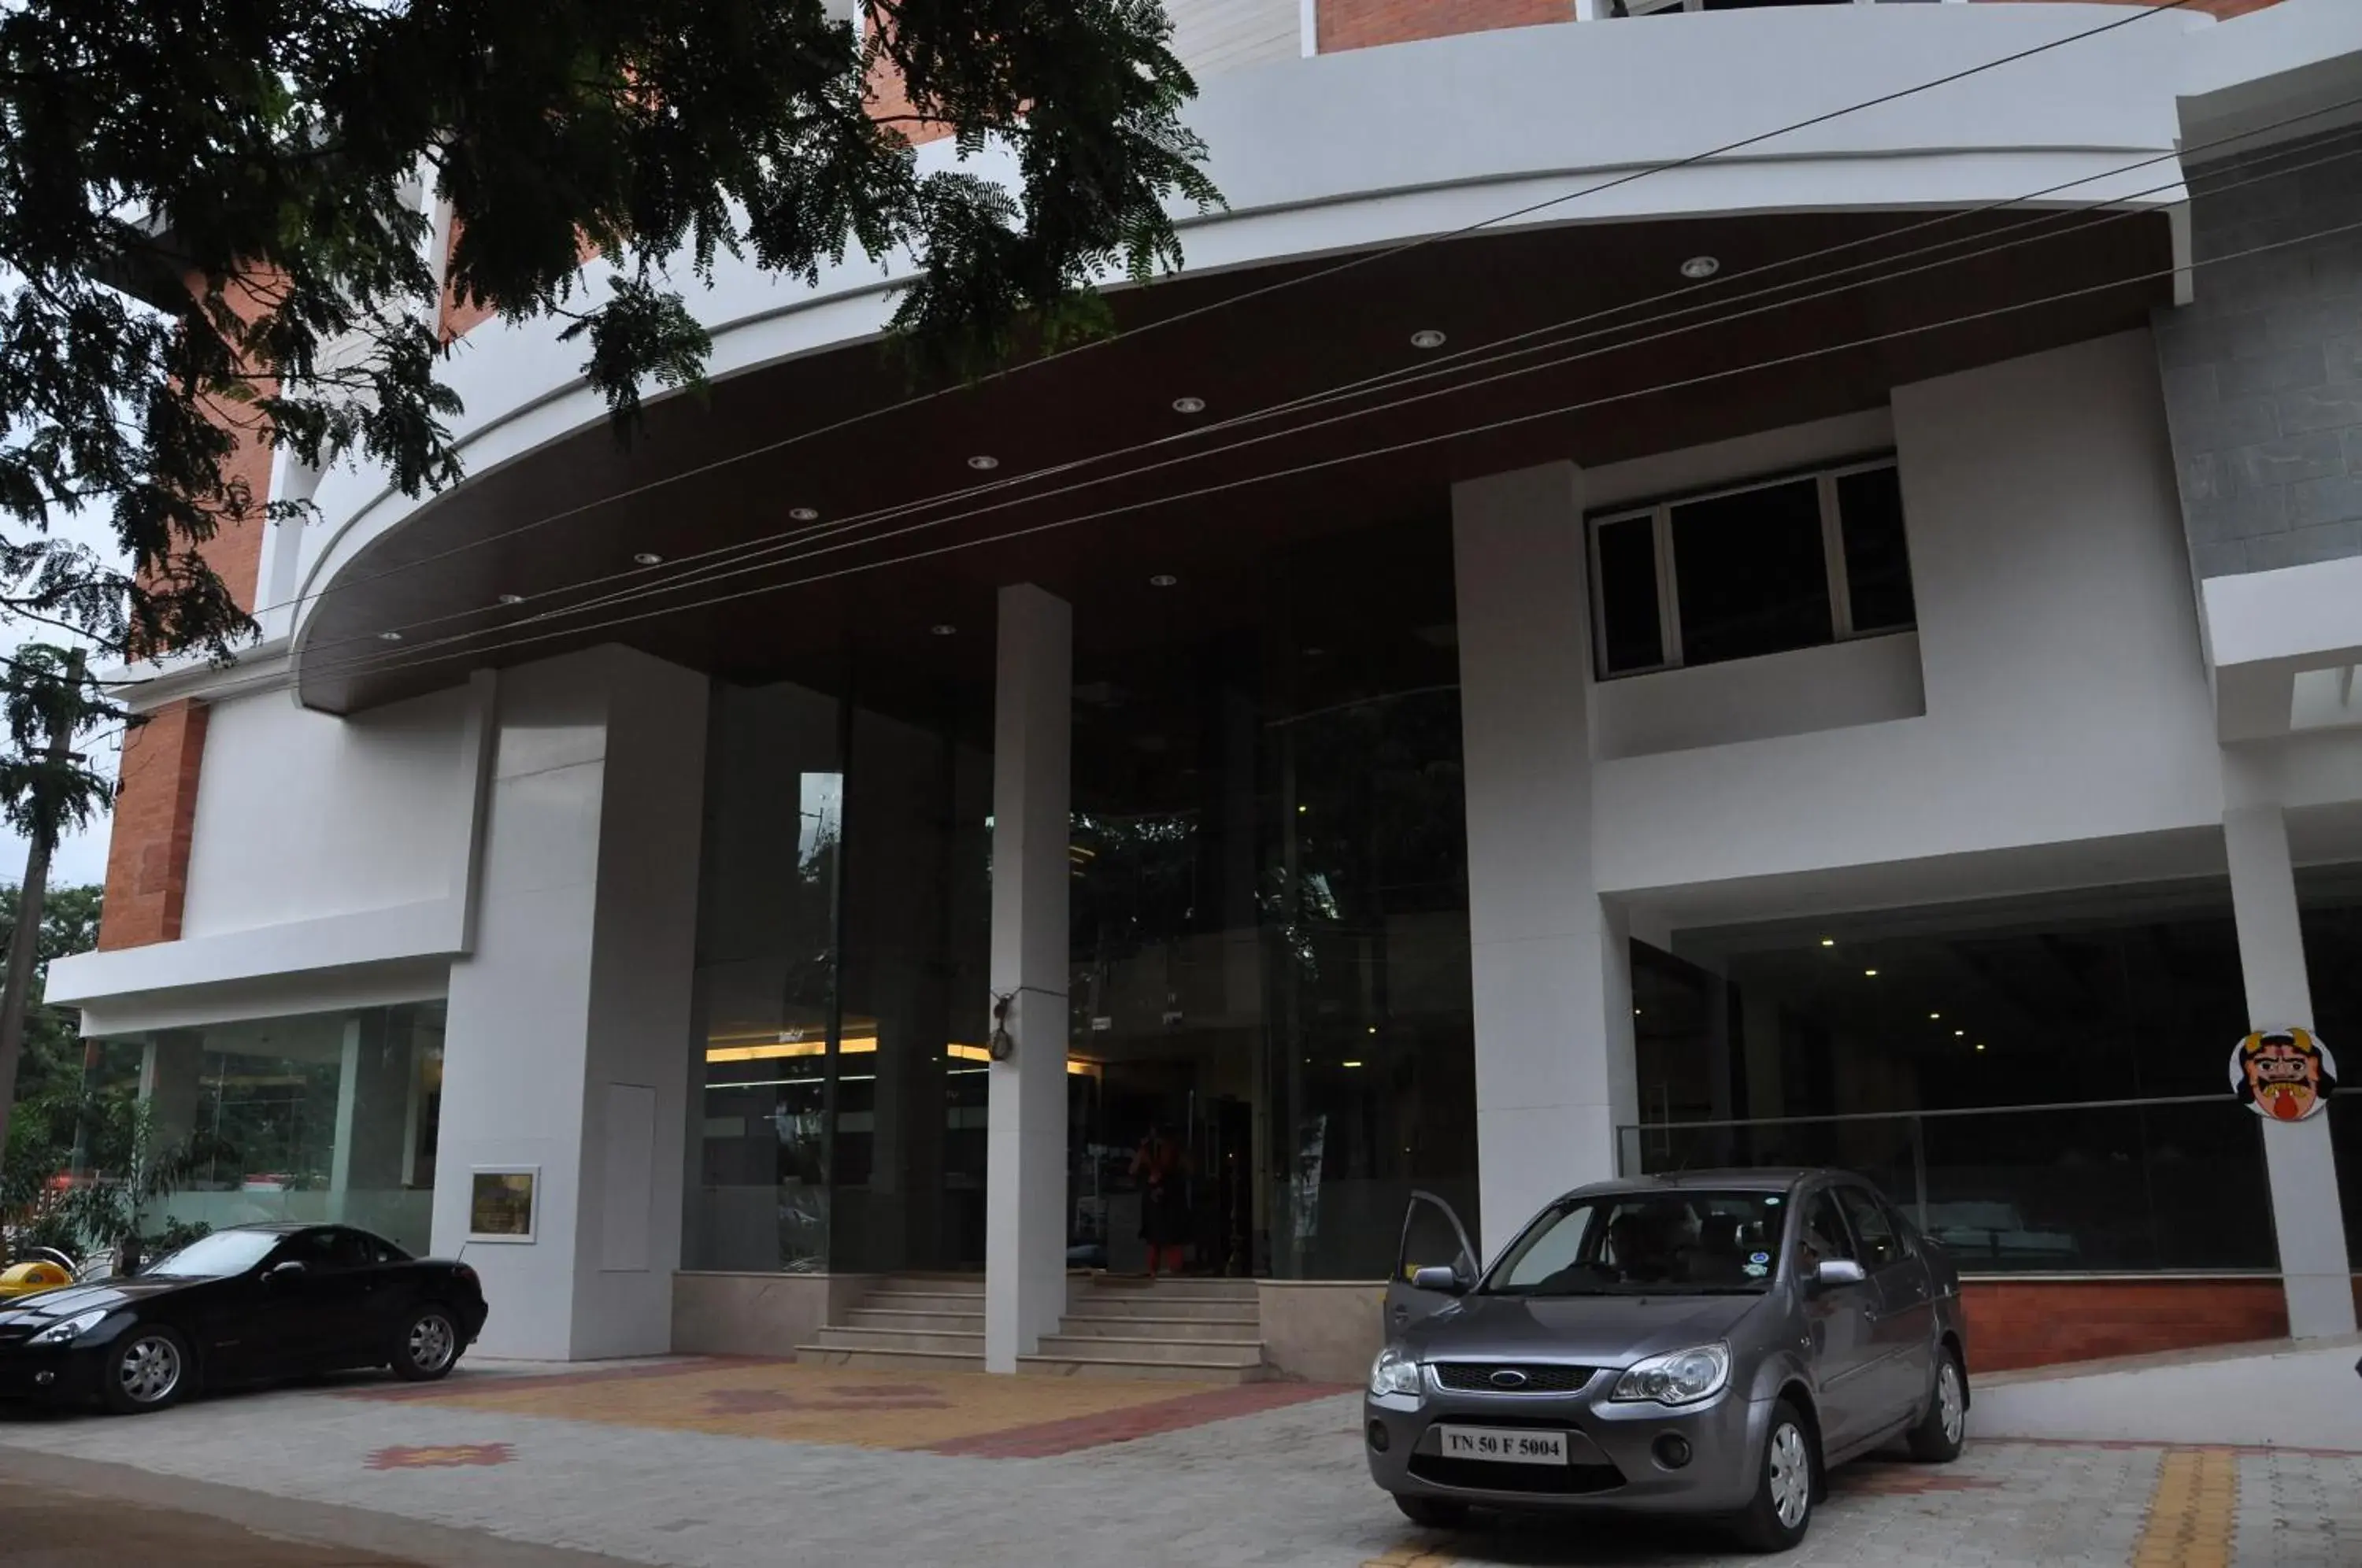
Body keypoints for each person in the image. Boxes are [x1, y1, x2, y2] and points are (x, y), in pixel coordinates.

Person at [1131, 1126, 1188, 1279]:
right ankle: (1155, 1271)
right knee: (1154, 1239)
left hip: (1170, 1202)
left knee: (1172, 1239)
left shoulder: (1174, 1154)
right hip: (1154, 1204)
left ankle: (1174, 1271)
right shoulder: (1147, 1152)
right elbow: (1134, 1171)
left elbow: (1187, 1167)